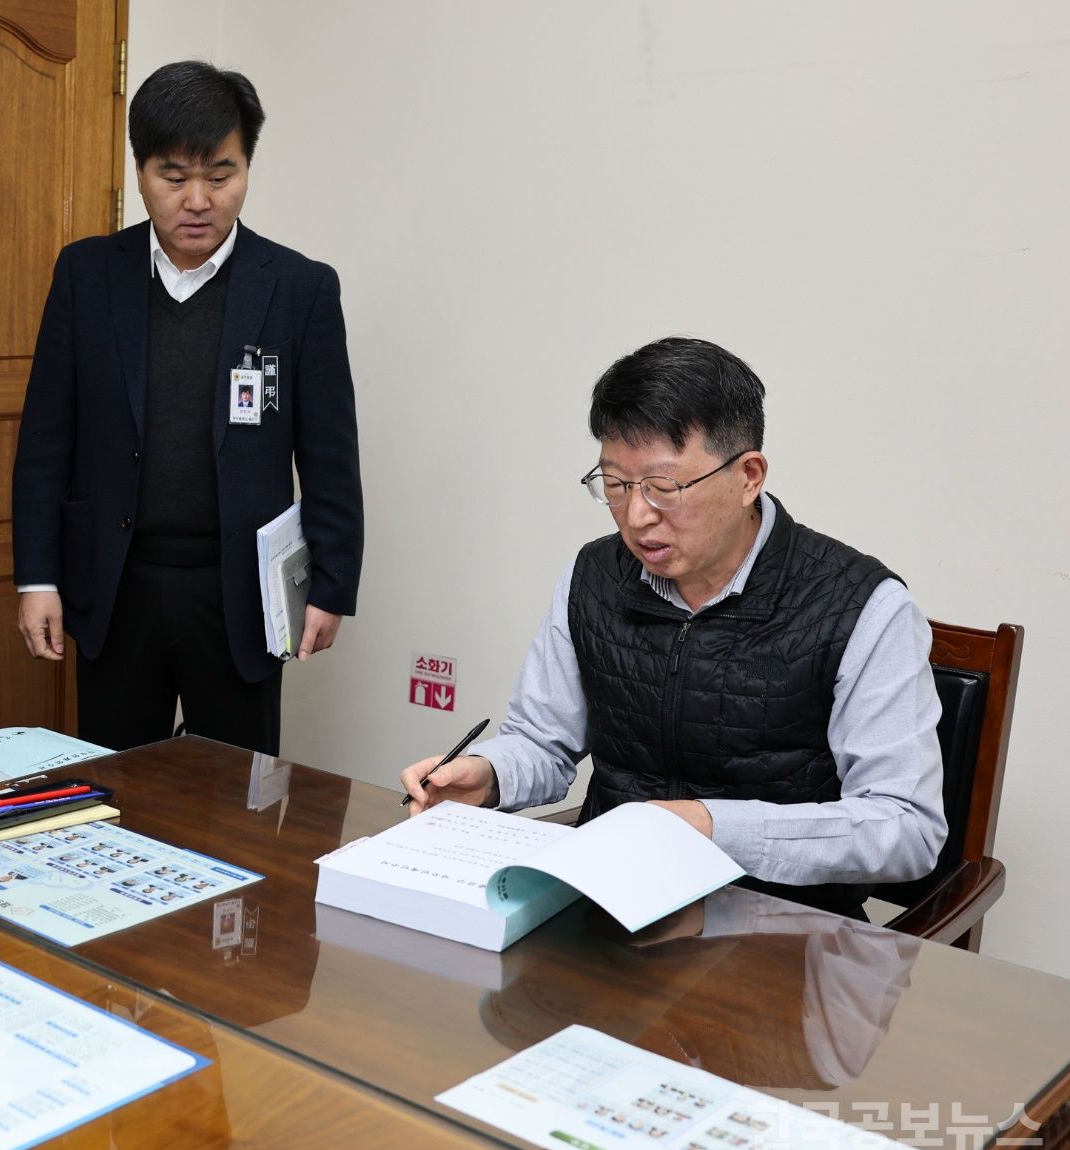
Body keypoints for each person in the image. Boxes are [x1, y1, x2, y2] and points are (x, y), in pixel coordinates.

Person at [401, 337, 946, 918]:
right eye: (615, 485)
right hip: (609, 905)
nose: (636, 516)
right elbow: (543, 740)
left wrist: (712, 827)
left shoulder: (862, 606)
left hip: (779, 934)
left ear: (748, 477)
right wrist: (487, 777)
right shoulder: (594, 574)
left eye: (664, 488)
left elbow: (906, 827)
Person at [12, 61, 364, 756]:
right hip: (117, 587)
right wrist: (38, 579)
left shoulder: (299, 289)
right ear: (141, 170)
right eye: (174, 178)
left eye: (221, 176)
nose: (198, 199)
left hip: (241, 595)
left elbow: (329, 454)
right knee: (115, 790)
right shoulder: (86, 275)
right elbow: (47, 441)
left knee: (239, 800)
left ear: (247, 169)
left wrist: (331, 586)